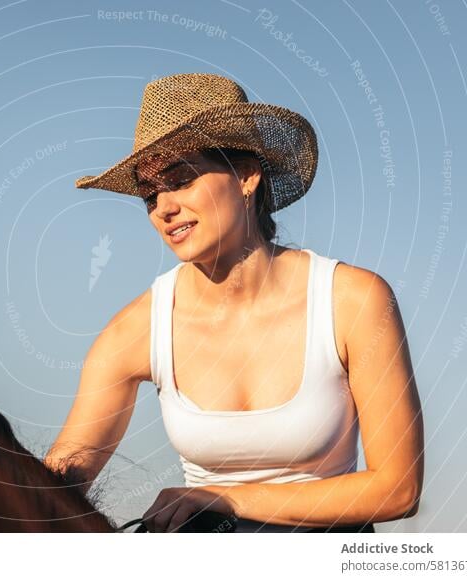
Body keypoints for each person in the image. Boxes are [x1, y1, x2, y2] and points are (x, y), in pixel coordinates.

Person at [44, 73, 424, 533]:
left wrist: (220, 497)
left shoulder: (354, 301)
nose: (163, 207)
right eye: (149, 194)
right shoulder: (136, 330)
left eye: (180, 178)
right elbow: (58, 484)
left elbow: (398, 488)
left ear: (246, 176)